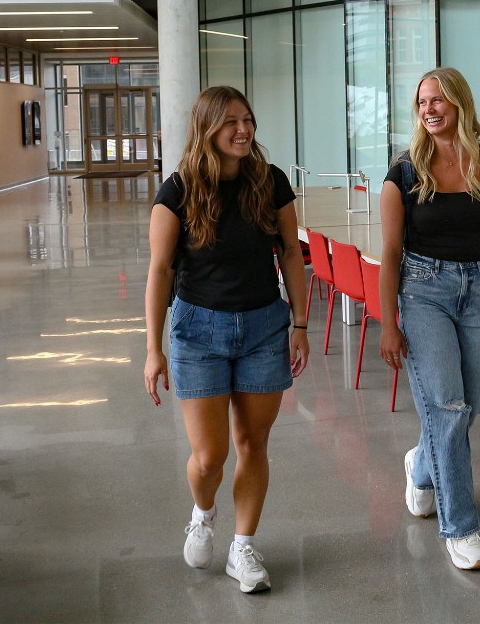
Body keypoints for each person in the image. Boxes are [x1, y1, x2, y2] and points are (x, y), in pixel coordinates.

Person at [143, 86, 309, 594]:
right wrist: (153, 349)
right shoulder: (178, 190)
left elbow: (291, 253)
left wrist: (301, 324)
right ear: (207, 128)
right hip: (198, 331)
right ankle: (203, 513)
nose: (243, 130)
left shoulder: (270, 181)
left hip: (264, 328)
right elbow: (160, 270)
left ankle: (243, 545)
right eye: (230, 121)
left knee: (253, 442)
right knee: (210, 456)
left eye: (247, 120)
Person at [378, 66, 480, 570]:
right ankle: (461, 528)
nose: (429, 109)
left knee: (471, 402)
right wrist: (388, 322)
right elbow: (390, 253)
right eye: (422, 102)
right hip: (422, 292)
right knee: (447, 408)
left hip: (477, 288)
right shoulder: (403, 173)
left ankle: (421, 465)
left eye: (437, 100)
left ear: (460, 104)